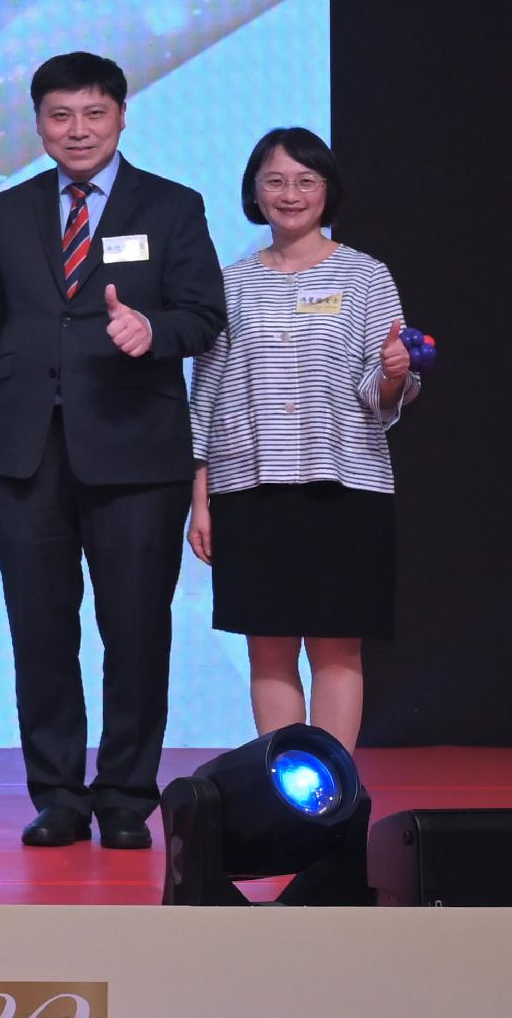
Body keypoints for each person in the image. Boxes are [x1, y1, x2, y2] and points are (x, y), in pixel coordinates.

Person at [0, 51, 222, 849]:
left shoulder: (171, 206)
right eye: (60, 116)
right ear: (39, 124)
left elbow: (205, 315)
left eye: (93, 114)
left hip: (138, 457)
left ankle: (124, 797)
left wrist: (155, 332)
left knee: (136, 630)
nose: (77, 130)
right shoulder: (9, 211)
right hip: (24, 455)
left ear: (120, 116)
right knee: (41, 632)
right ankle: (60, 797)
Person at [191, 127, 415, 749]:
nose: (290, 194)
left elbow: (380, 390)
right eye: (275, 180)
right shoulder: (229, 283)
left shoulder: (367, 276)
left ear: (327, 190)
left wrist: (395, 374)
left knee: (338, 648)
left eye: (305, 180)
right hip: (249, 486)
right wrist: (200, 496)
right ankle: (283, 799)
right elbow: (205, 392)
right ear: (255, 193)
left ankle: (333, 798)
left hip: (348, 484)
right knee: (268, 646)